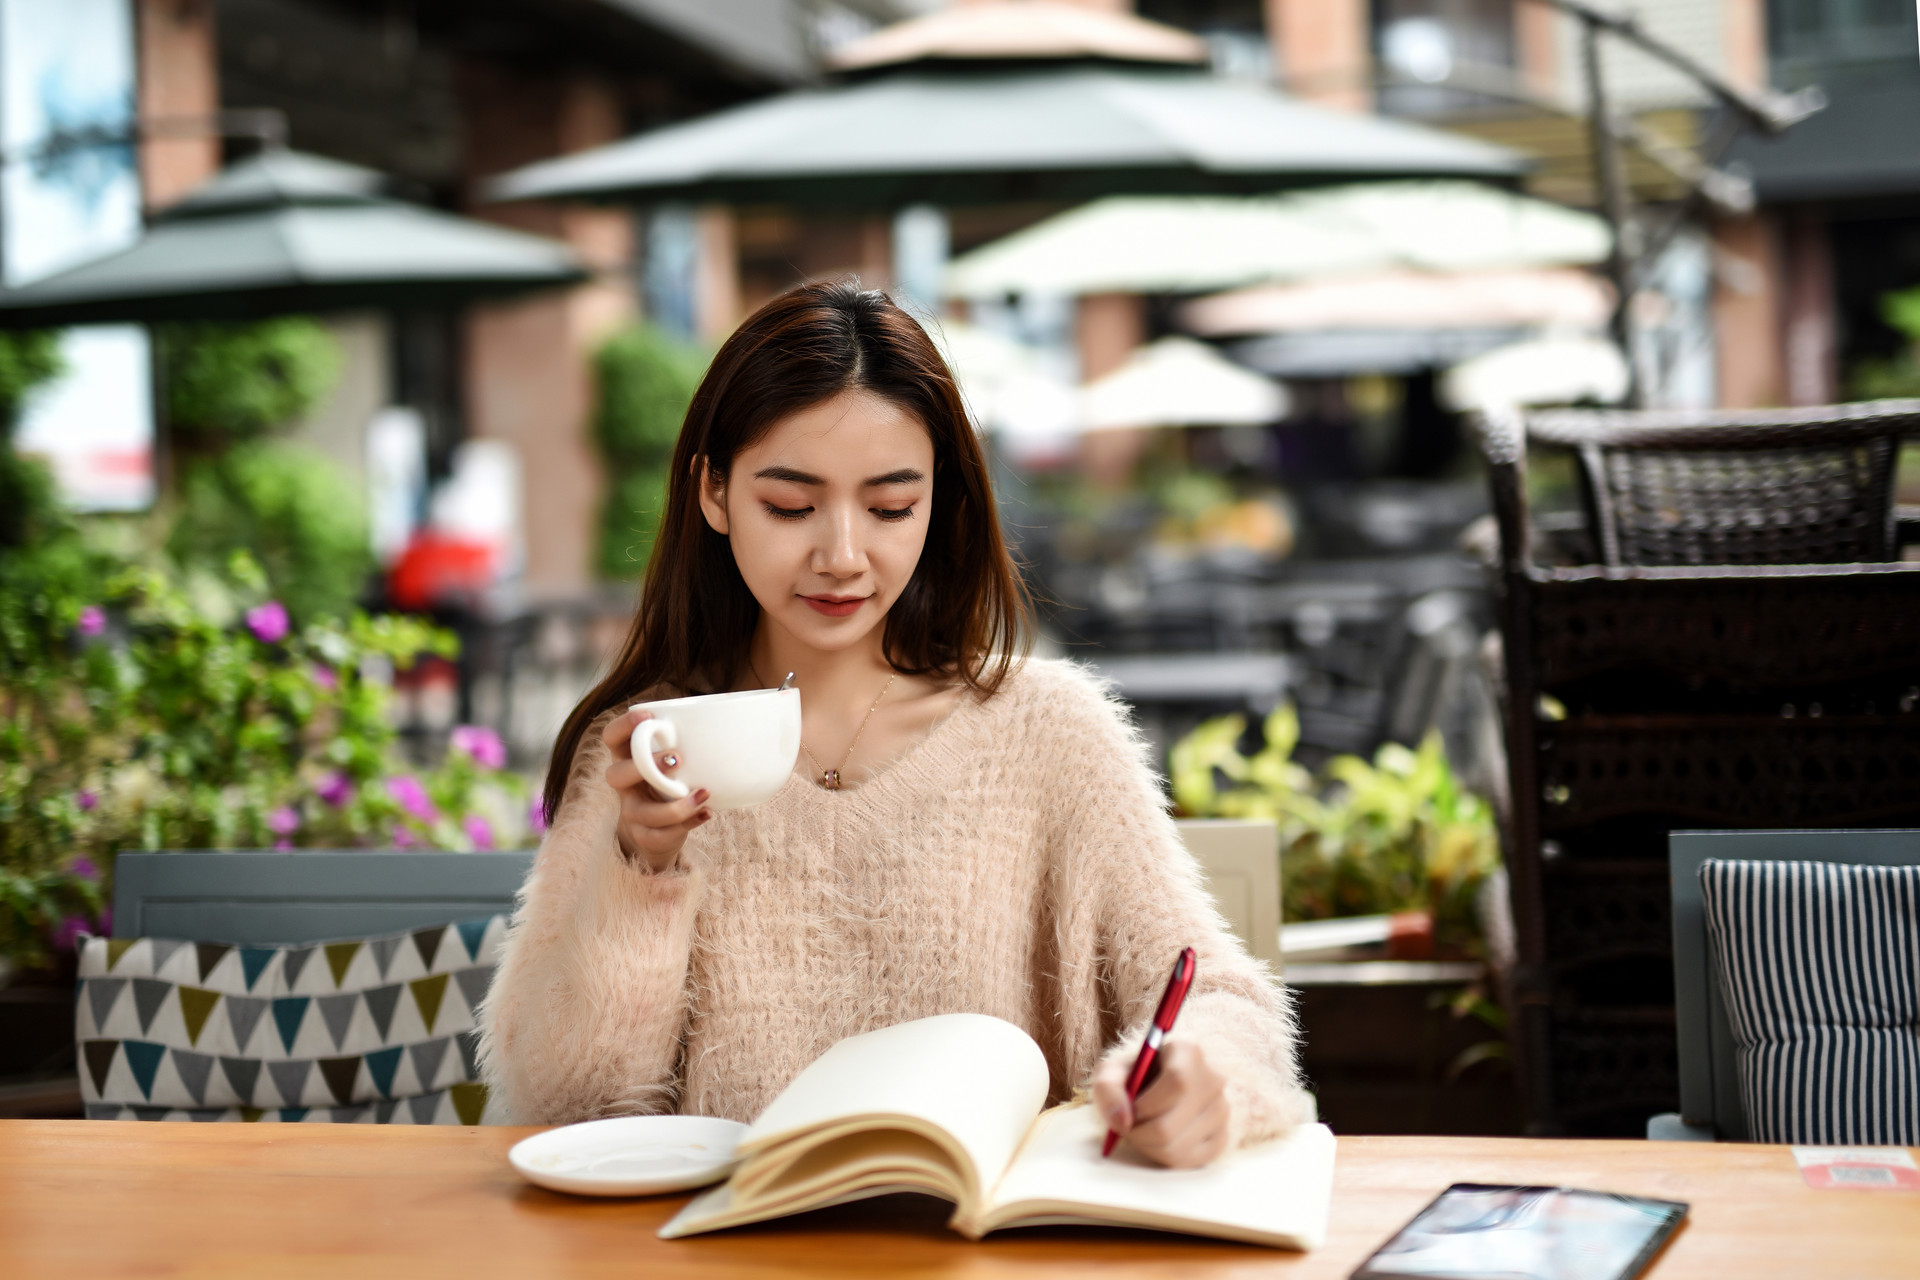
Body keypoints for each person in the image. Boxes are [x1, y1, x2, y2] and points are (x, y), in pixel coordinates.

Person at [479, 282, 1310, 1168]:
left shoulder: (1051, 735)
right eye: (791, 506)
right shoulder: (649, 748)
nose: (842, 555)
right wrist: (641, 870)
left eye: (889, 507)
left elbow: (1223, 998)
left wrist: (1198, 1075)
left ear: (940, 504)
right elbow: (563, 1108)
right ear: (713, 494)